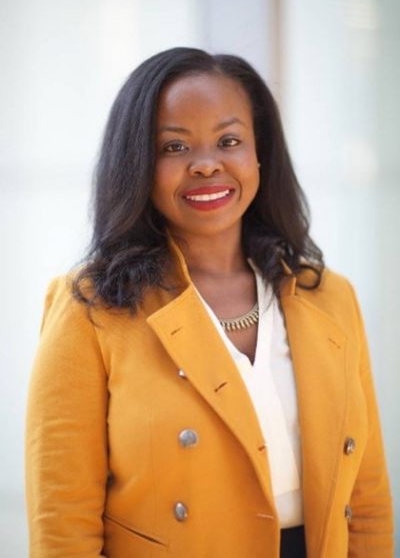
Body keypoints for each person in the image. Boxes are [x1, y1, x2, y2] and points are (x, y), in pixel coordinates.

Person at [25, 47, 394, 558]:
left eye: (229, 141)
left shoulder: (329, 296)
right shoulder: (91, 309)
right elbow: (63, 522)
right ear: (137, 163)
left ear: (258, 152)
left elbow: (367, 500)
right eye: (174, 148)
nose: (206, 165)